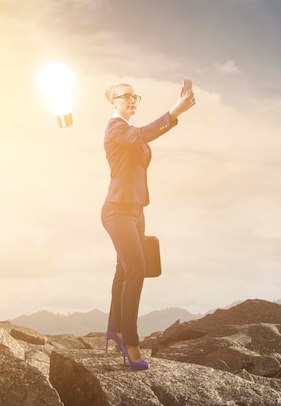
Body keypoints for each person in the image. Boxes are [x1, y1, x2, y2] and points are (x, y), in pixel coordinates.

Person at [101, 82, 196, 370]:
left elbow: (143, 137)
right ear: (113, 102)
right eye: (125, 95)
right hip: (117, 211)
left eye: (134, 96)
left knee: (124, 270)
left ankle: (114, 329)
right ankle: (130, 342)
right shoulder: (115, 128)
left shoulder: (132, 135)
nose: (132, 99)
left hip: (136, 211)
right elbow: (143, 133)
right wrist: (175, 111)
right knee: (137, 270)